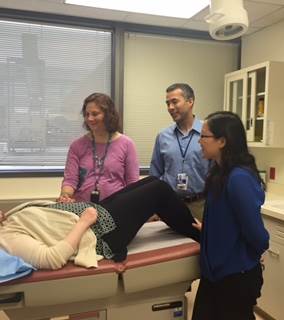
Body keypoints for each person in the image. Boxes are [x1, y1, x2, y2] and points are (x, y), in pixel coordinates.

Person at [0, 176, 200, 270]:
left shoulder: (9, 219)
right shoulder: (7, 237)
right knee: (159, 189)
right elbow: (52, 258)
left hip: (95, 215)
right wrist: (84, 221)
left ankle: (188, 225)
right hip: (100, 232)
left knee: (153, 181)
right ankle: (200, 235)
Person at [191, 111, 269, 320]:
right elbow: (228, 219)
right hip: (215, 275)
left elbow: (257, 235)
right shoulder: (219, 173)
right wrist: (209, 230)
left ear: (222, 141)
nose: (199, 141)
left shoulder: (239, 178)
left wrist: (251, 255)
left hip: (235, 277)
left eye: (204, 136)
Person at [58, 92, 139, 203]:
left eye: (95, 114)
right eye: (87, 114)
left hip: (116, 208)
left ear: (108, 115)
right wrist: (65, 196)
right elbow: (70, 180)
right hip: (83, 208)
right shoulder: (76, 146)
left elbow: (133, 183)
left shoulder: (127, 144)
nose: (90, 118)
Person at [150, 83, 210, 221]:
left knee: (200, 242)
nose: (170, 108)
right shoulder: (163, 136)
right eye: (167, 103)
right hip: (169, 205)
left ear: (190, 101)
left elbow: (217, 175)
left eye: (174, 102)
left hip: (201, 206)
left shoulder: (208, 133)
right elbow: (155, 175)